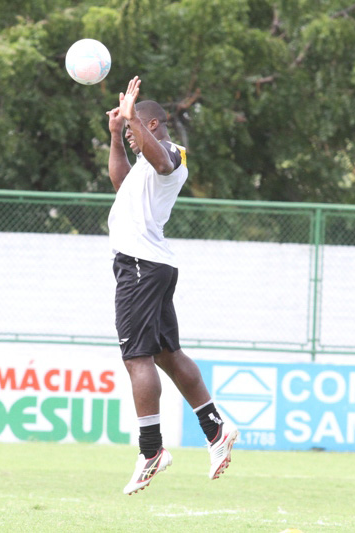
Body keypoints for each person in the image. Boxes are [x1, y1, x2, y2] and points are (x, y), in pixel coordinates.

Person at [105, 76, 239, 495]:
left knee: (136, 358)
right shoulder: (142, 163)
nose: (130, 136)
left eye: (133, 128)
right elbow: (119, 181)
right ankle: (215, 429)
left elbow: (162, 160)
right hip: (148, 267)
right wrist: (114, 136)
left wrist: (134, 121)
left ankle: (151, 451)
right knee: (166, 354)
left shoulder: (171, 154)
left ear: (155, 124)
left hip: (142, 267)